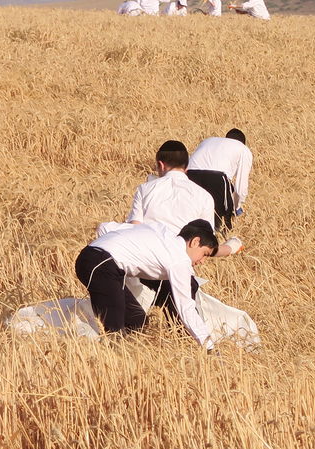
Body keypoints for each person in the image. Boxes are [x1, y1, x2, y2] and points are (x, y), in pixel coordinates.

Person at [74, 219, 219, 348]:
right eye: (205, 254)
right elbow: (186, 307)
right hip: (101, 265)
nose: (202, 261)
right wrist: (209, 347)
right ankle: (110, 365)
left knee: (136, 321)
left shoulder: (160, 232)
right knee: (115, 332)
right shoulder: (179, 259)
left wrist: (110, 248)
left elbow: (104, 227)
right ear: (195, 242)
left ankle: (125, 357)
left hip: (102, 264)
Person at [123, 140, 216, 232]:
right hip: (185, 246)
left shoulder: (144, 189)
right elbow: (207, 238)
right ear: (187, 167)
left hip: (149, 245)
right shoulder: (204, 196)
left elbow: (134, 227)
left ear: (161, 165)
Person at [188, 129, 253, 230]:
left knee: (190, 215)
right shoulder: (243, 149)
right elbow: (241, 187)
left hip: (189, 175)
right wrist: (236, 208)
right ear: (243, 143)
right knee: (219, 222)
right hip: (216, 179)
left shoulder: (208, 140)